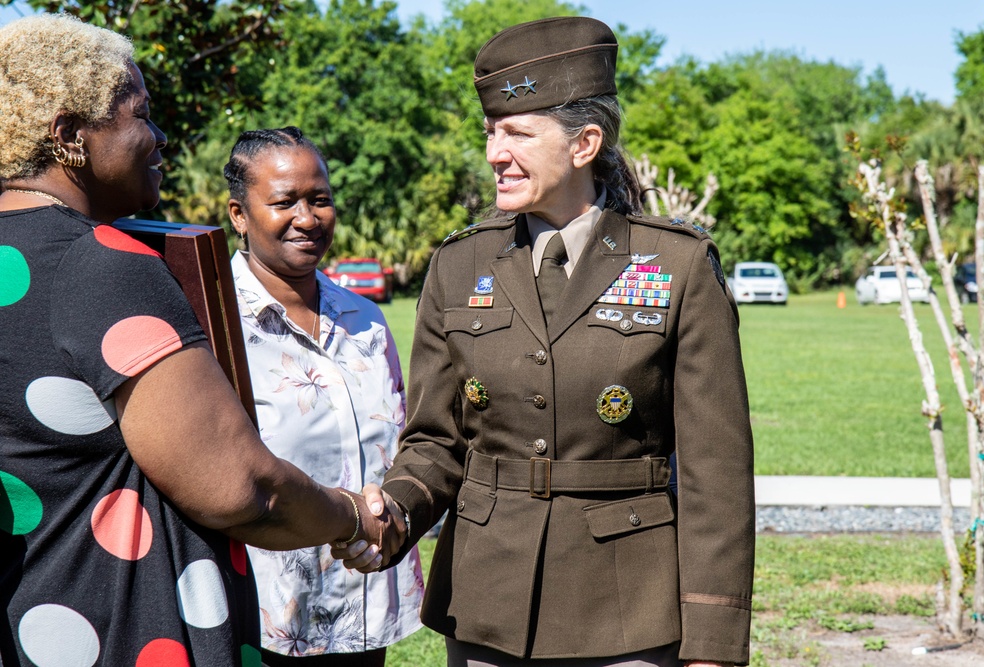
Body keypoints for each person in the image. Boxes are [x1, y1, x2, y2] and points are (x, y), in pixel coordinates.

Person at [336, 16, 756, 667]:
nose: (494, 153)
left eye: (517, 134)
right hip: (486, 604)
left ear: (585, 143)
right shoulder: (458, 265)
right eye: (490, 132)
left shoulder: (677, 267)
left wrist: (713, 643)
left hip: (629, 611)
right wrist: (395, 509)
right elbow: (435, 441)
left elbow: (716, 476)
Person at [0, 14, 399, 666]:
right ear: (70, 135)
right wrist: (352, 516)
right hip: (129, 630)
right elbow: (244, 489)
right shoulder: (103, 266)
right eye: (140, 113)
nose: (159, 136)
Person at [223, 127, 423, 667]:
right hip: (268, 616)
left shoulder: (367, 321)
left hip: (363, 600)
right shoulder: (214, 326)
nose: (308, 218)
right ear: (239, 215)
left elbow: (401, 438)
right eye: (284, 201)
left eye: (320, 200)